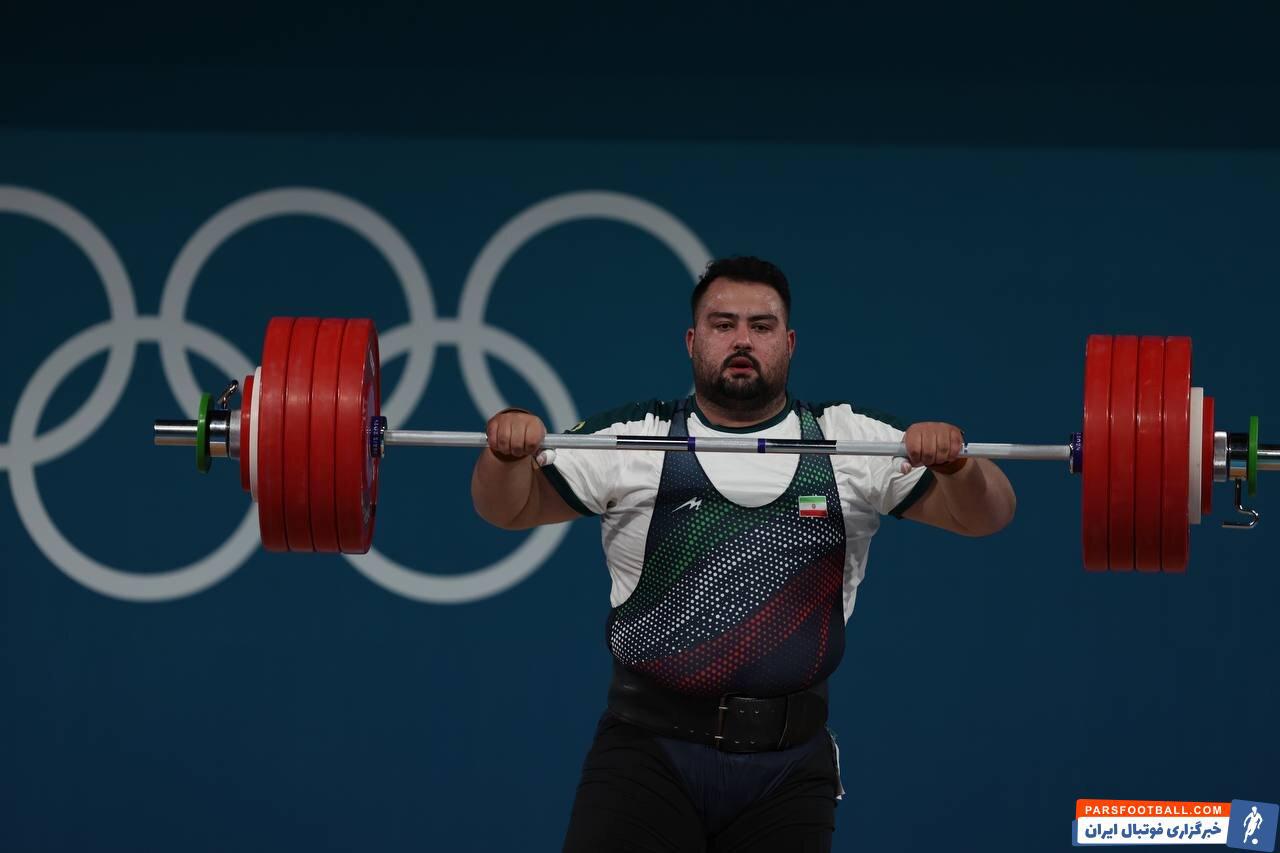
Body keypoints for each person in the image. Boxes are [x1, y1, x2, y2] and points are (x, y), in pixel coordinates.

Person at [471, 256, 1017, 852]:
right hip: (647, 756)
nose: (741, 340)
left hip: (788, 772)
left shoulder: (852, 441)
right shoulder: (635, 437)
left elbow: (987, 516)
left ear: (789, 342)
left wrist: (960, 465)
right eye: (722, 323)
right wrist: (505, 455)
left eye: (760, 326)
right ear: (691, 340)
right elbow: (508, 510)